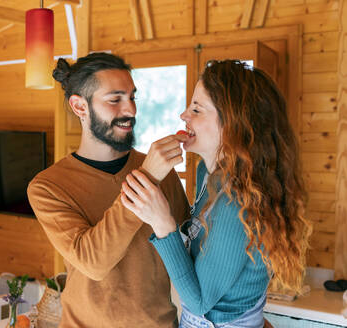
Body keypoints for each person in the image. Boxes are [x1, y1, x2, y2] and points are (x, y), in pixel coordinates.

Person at [121, 60, 312, 328]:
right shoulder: (208, 174)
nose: (184, 116)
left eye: (197, 109)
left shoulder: (237, 203)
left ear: (234, 123)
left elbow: (199, 302)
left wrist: (163, 224)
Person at [27, 52, 191, 327]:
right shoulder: (48, 187)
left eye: (132, 97)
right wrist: (148, 176)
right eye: (115, 100)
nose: (131, 110)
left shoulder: (160, 172)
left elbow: (189, 248)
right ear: (80, 107)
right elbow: (93, 262)